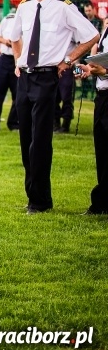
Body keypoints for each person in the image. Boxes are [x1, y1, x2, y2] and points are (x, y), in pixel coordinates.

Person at [8, 0, 99, 214]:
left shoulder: (64, 8)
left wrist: (69, 59)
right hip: (25, 77)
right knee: (25, 138)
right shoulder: (25, 7)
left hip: (47, 77)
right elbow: (15, 37)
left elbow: (91, 34)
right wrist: (18, 60)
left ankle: (40, 200)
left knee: (40, 140)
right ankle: (32, 195)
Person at [78, 24, 108, 215]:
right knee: (103, 149)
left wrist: (105, 72)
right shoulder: (106, 26)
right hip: (102, 95)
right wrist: (91, 69)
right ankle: (102, 203)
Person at [0, 8, 20, 131]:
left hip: (17, 60)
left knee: (17, 94)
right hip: (4, 59)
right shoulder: (8, 19)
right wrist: (6, 41)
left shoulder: (28, 22)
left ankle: (13, 122)